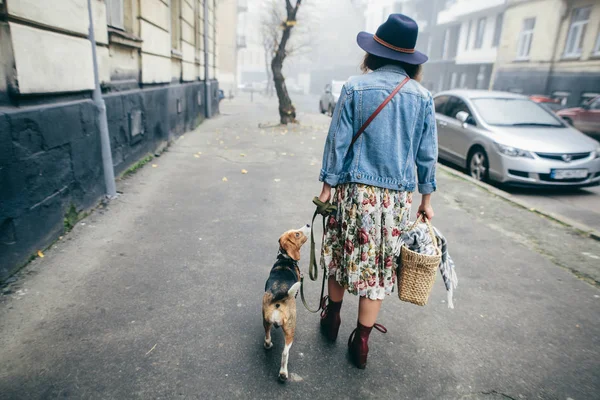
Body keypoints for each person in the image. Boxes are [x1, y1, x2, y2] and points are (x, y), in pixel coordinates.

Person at [317, 14, 437, 369]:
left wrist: (327, 188)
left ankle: (332, 317)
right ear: (409, 60)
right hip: (396, 200)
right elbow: (427, 155)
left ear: (373, 53)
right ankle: (362, 341)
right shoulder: (423, 97)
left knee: (342, 255)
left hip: (354, 193)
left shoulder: (355, 87)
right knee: (380, 269)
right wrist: (427, 201)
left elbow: (336, 143)